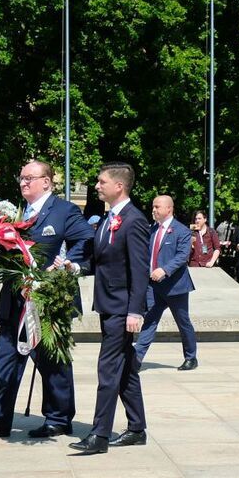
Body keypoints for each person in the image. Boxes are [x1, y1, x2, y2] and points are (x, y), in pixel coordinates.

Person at [0, 160, 92, 440]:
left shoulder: (65, 211)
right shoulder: (15, 214)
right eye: (21, 178)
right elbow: (7, 253)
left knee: (52, 363)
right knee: (6, 359)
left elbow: (85, 240)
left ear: (46, 181)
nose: (23, 183)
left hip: (47, 302)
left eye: (29, 178)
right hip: (15, 300)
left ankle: (58, 418)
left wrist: (66, 265)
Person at [66, 163, 151, 454]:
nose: (97, 186)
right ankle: (137, 428)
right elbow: (100, 261)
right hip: (107, 303)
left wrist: (135, 311)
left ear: (119, 186)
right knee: (126, 368)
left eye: (102, 182)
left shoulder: (134, 220)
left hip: (122, 307)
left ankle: (99, 435)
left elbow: (140, 269)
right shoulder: (108, 218)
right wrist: (75, 266)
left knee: (108, 368)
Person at [133, 195, 197, 371]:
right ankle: (136, 358)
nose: (153, 210)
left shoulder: (181, 231)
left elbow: (182, 256)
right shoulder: (152, 230)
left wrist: (165, 270)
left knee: (183, 322)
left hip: (175, 287)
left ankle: (191, 357)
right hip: (153, 286)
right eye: (153, 206)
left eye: (157, 207)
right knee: (149, 321)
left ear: (169, 209)